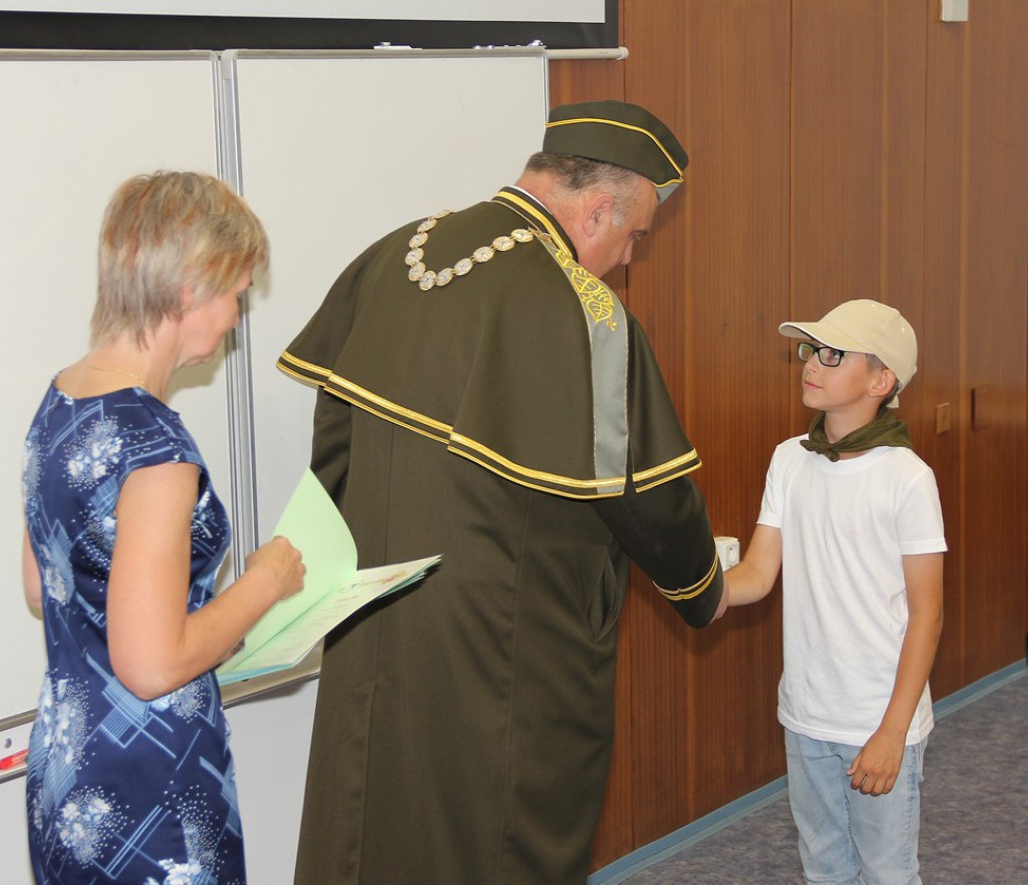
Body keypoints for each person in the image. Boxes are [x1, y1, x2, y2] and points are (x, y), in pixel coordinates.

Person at [277, 100, 728, 883]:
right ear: (597, 210)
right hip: (504, 636)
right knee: (492, 831)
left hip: (375, 611)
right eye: (633, 236)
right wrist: (703, 589)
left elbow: (334, 442)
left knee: (371, 807)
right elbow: (647, 499)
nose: (627, 258)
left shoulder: (398, 251)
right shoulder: (583, 310)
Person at [20, 171, 305, 884]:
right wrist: (264, 584)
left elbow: (43, 585)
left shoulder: (63, 397)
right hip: (150, 788)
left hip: (69, 771)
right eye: (236, 294)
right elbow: (150, 666)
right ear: (188, 290)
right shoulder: (156, 451)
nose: (236, 316)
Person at [724, 299, 946, 884]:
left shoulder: (907, 478)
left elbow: (926, 615)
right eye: (811, 350)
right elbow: (757, 574)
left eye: (833, 354)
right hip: (806, 714)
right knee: (824, 868)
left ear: (880, 380)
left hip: (879, 718)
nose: (810, 363)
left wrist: (892, 734)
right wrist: (699, 591)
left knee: (887, 872)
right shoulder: (789, 461)